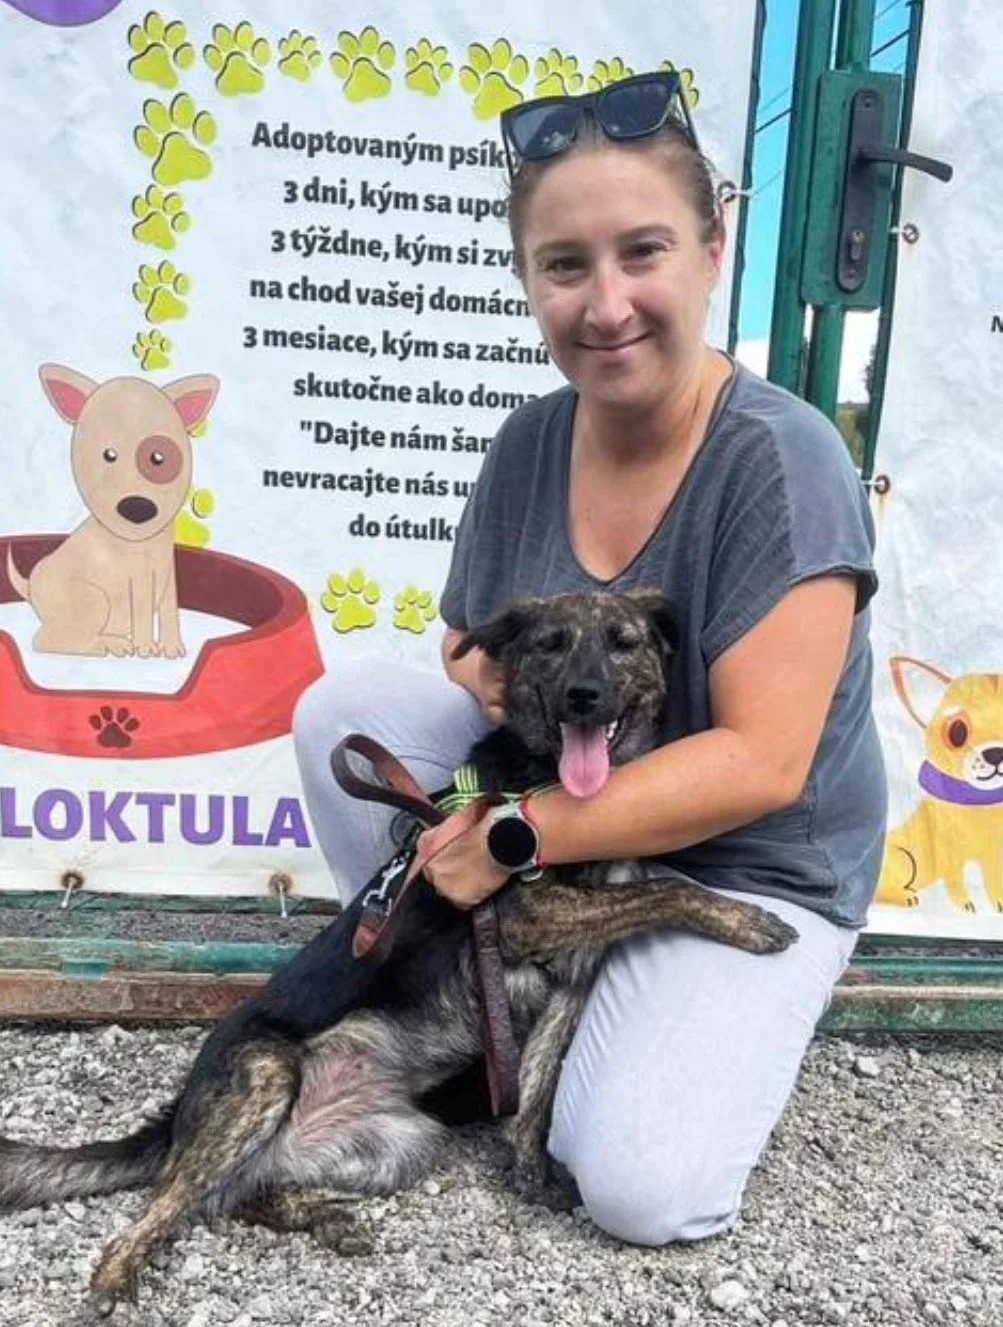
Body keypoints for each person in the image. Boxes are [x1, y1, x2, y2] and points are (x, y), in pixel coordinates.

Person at [293, 71, 887, 1246]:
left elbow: (763, 763)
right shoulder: (528, 440)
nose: (605, 303)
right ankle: (514, 994)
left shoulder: (782, 461)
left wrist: (509, 838)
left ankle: (645, 1004)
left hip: (743, 862)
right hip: (578, 811)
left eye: (643, 252)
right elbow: (470, 648)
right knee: (343, 709)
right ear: (528, 282)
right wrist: (491, 697)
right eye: (565, 265)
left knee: (638, 1187)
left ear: (711, 252)